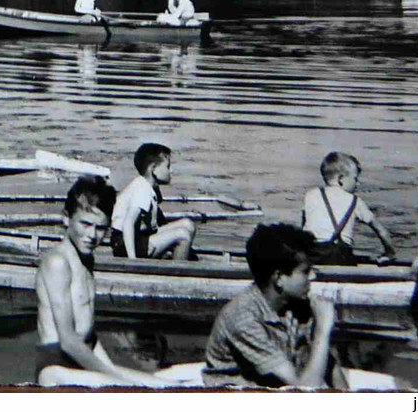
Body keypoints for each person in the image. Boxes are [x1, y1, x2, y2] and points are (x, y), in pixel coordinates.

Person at [35, 175, 173, 388]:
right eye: (85, 224)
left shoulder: (86, 258)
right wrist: (114, 377)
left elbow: (88, 333)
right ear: (65, 218)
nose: (92, 235)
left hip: (84, 360)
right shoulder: (58, 262)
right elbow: (69, 341)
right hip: (57, 367)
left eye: (100, 228)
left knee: (162, 385)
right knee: (139, 392)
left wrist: (112, 368)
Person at [203, 223, 349, 389]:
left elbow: (331, 371)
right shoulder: (244, 318)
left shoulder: (297, 307)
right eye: (305, 271)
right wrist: (323, 331)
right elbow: (304, 393)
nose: (313, 276)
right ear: (279, 278)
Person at [301, 152, 398, 266]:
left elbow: (302, 229)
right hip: (339, 257)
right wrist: (390, 254)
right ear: (341, 179)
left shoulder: (310, 195)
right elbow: (381, 231)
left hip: (311, 256)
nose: (358, 183)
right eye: (355, 179)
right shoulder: (355, 201)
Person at [110, 142, 196, 260]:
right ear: (153, 169)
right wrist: (132, 260)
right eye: (168, 166)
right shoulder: (142, 190)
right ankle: (178, 274)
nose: (172, 171)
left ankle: (180, 258)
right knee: (183, 235)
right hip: (124, 244)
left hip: (140, 237)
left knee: (188, 224)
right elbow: (128, 223)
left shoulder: (149, 187)